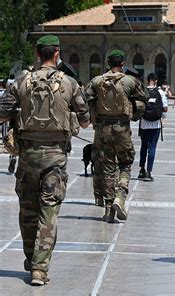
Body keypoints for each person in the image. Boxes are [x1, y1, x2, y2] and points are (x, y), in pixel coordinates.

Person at [0, 35, 90, 285]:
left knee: (28, 210)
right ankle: (40, 267)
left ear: (38, 54)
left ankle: (31, 258)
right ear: (57, 54)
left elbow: (1, 114)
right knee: (49, 211)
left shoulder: (21, 81)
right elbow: (85, 120)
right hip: (55, 157)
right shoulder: (70, 83)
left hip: (27, 157)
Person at [85, 49, 147, 223]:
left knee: (108, 168)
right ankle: (120, 196)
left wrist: (93, 116)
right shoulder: (130, 81)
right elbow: (144, 99)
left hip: (103, 130)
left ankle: (108, 210)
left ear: (108, 63)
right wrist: (134, 116)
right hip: (122, 128)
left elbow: (84, 98)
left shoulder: (97, 81)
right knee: (126, 163)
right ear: (122, 64)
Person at [138, 73, 168, 182]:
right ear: (155, 81)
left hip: (144, 123)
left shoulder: (142, 91)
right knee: (152, 148)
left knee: (143, 147)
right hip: (155, 124)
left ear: (147, 80)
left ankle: (141, 169)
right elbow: (165, 108)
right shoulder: (160, 92)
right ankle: (149, 171)